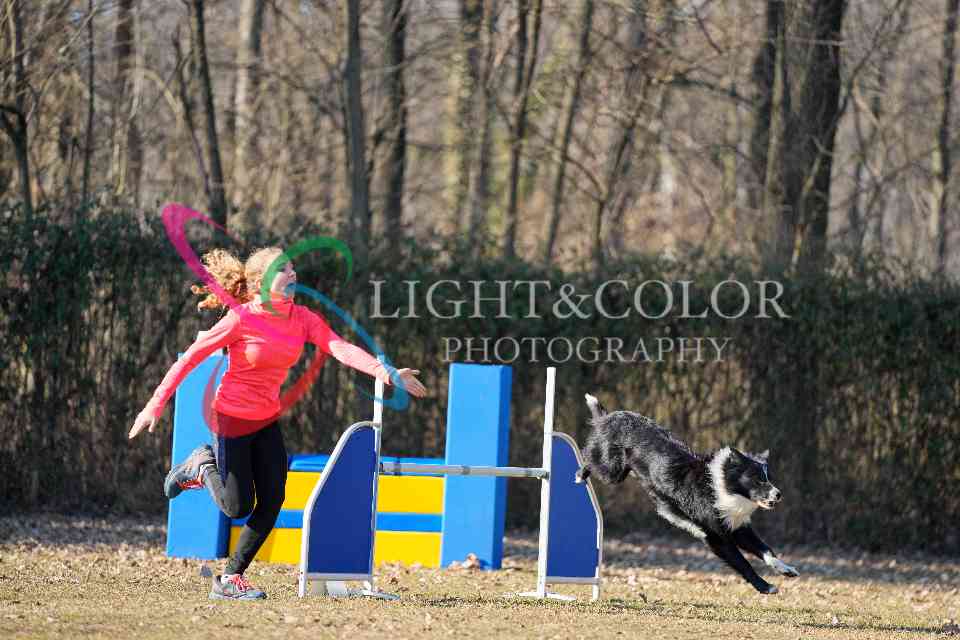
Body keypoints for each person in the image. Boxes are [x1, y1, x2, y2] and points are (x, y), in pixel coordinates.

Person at [128, 246, 427, 600]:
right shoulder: (240, 319)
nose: (292, 274)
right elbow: (189, 359)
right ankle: (202, 465)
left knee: (272, 500)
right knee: (238, 507)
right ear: (260, 282)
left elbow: (339, 347)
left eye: (293, 268)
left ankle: (231, 579)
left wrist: (385, 372)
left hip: (265, 419)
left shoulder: (302, 318)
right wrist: (154, 405)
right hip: (231, 419)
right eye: (283, 269)